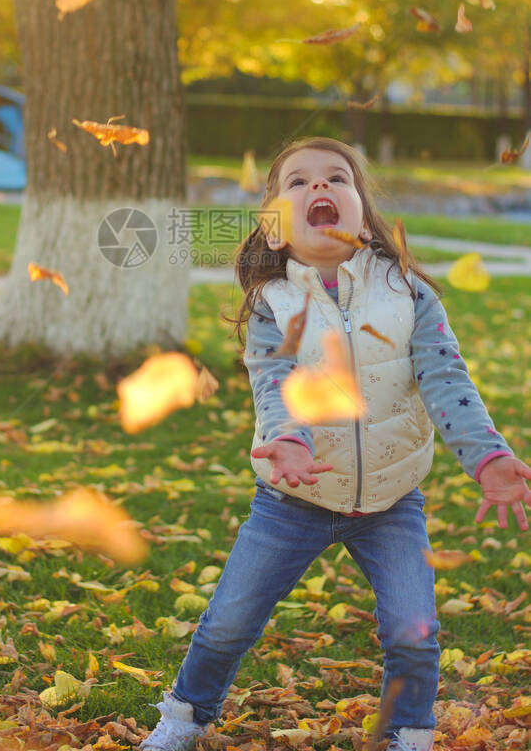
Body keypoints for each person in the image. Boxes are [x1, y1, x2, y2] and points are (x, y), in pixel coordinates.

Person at [141, 137, 531, 751]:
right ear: (274, 230)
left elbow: (446, 379)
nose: (318, 188)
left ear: (361, 211)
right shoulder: (273, 303)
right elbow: (275, 385)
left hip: (391, 501)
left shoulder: (407, 292)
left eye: (336, 178)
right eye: (297, 183)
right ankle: (185, 717)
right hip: (292, 500)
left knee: (413, 631)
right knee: (230, 622)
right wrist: (288, 439)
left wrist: (486, 455)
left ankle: (409, 733)